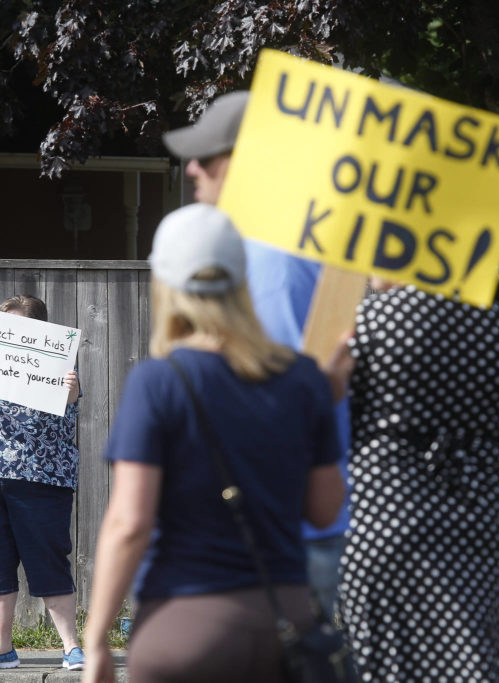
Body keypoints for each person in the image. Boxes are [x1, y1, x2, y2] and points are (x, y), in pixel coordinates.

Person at [83, 204, 345, 683]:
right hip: (284, 622)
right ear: (242, 282)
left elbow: (129, 523)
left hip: (183, 627)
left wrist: (96, 640)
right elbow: (325, 509)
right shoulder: (305, 378)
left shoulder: (159, 382)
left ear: (166, 285)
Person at [161, 90, 351, 619]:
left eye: (209, 154)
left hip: (281, 534)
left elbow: (292, 395)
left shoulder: (267, 258)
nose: (193, 167)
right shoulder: (284, 244)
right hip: (296, 527)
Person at [331, 278, 499, 681]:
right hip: (473, 531)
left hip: (382, 526)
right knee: (469, 663)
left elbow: (333, 424)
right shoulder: (498, 325)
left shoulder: (367, 323)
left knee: (382, 665)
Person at [0, 294, 84, 672]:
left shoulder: (58, 359)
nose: (10, 333)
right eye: (5, 324)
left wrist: (70, 388)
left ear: (39, 327)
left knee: (49, 557)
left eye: (18, 325)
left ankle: (71, 647)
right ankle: (1, 648)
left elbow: (70, 401)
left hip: (41, 474)